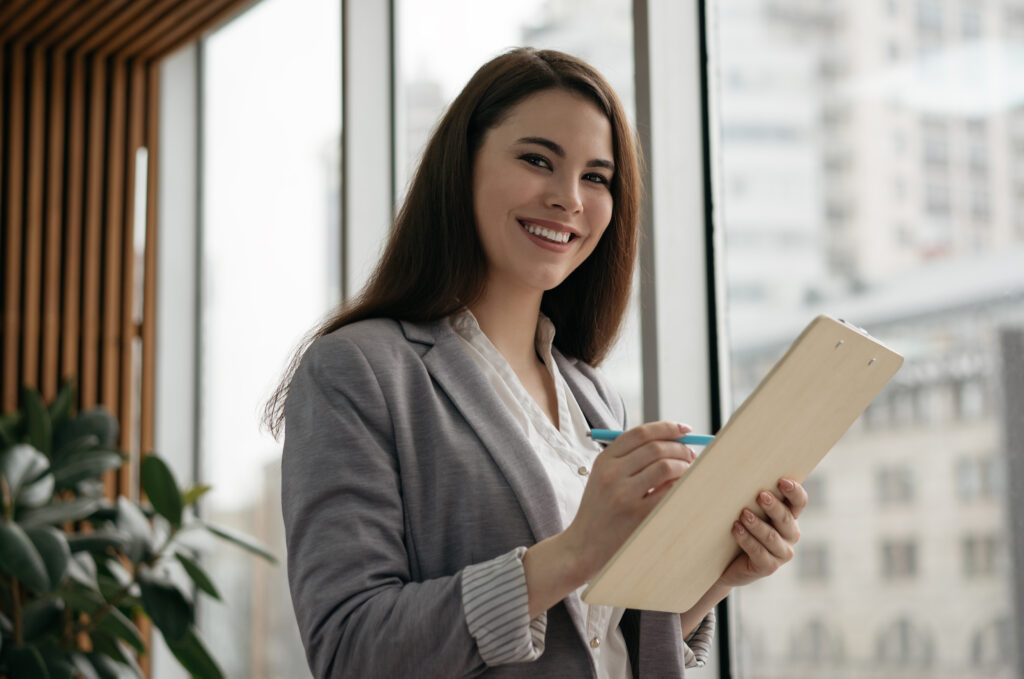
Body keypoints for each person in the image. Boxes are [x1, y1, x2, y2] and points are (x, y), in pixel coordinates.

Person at [267, 47, 807, 679]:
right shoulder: (357, 372)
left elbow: (598, 642)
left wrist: (711, 579)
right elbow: (349, 650)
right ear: (461, 167)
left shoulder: (594, 398)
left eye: (597, 177)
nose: (568, 199)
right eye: (536, 160)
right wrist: (575, 550)